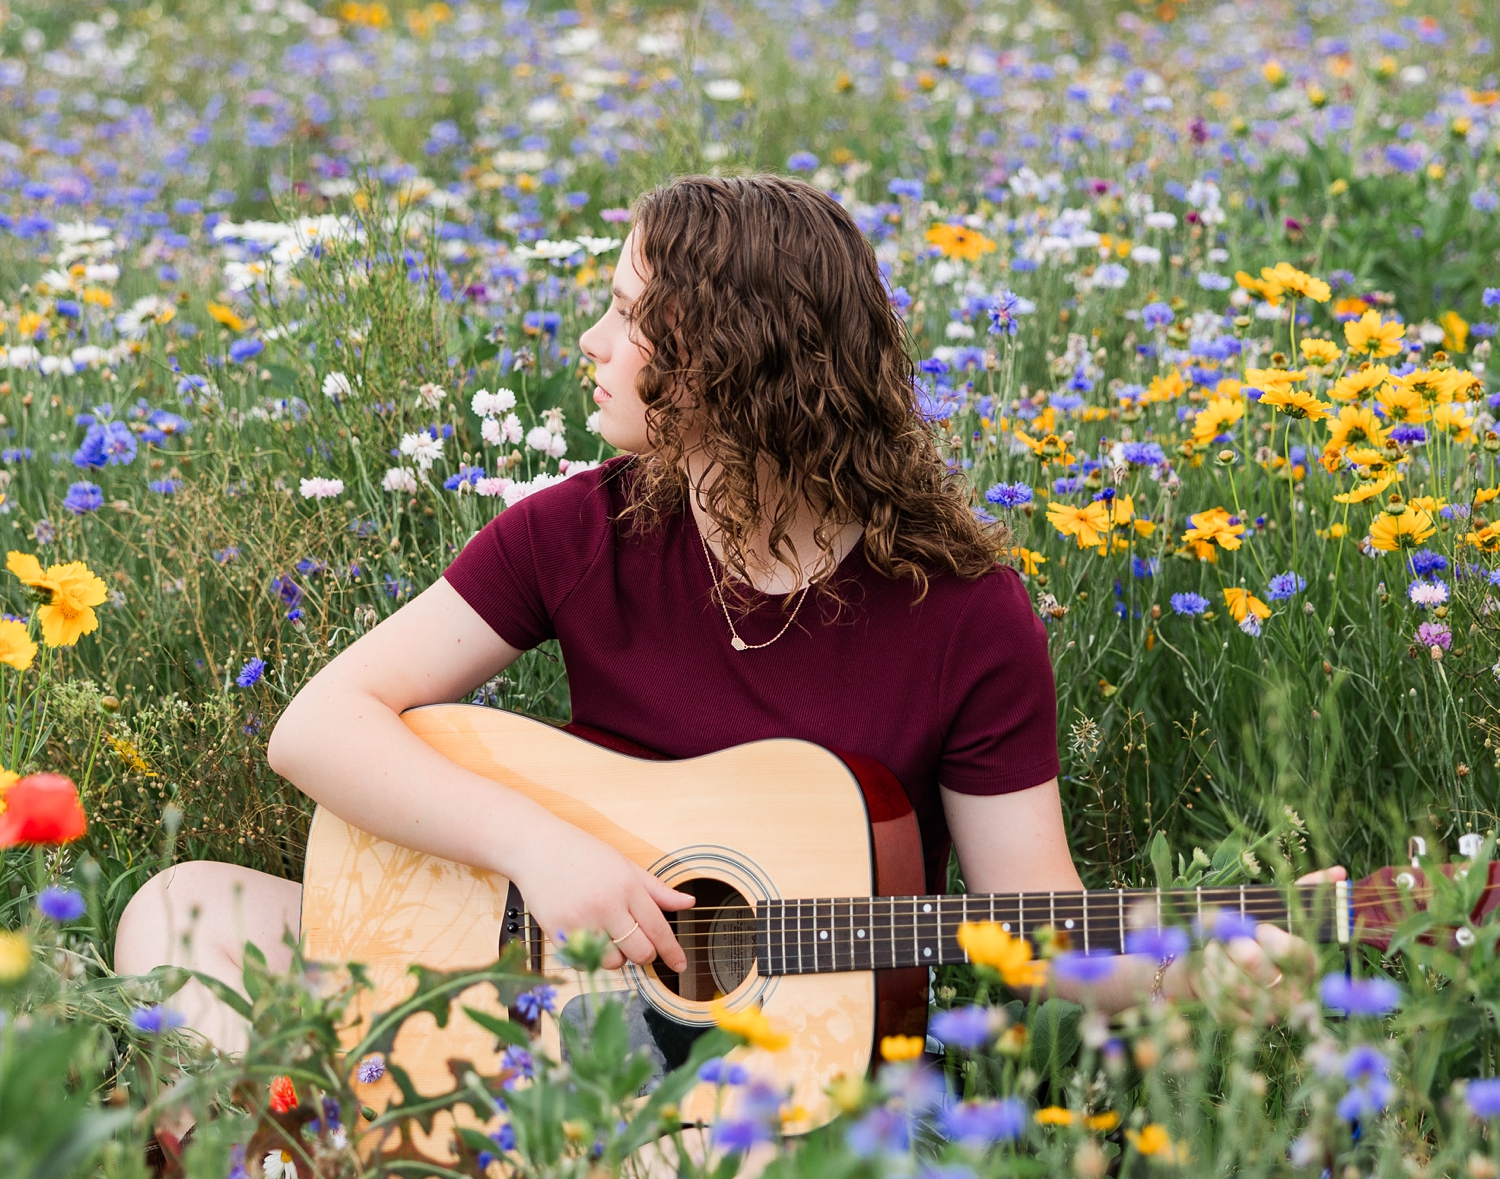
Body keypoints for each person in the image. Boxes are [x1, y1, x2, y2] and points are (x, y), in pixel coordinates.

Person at [115, 172, 1312, 1051]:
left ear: (726, 357)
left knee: (699, 1166)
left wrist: (1187, 971)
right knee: (180, 913)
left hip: (784, 1062)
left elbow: (1036, 922)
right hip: (530, 989)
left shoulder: (964, 612)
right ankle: (385, 1166)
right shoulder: (582, 527)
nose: (590, 341)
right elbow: (318, 726)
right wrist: (544, 850)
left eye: (627, 314)